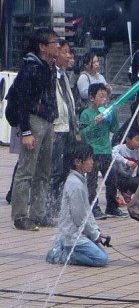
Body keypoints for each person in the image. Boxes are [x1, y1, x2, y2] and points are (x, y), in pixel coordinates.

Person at [11, 28, 60, 231]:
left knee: (44, 171)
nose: (58, 45)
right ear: (42, 47)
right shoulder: (30, 68)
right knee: (26, 170)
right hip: (33, 121)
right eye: (54, 42)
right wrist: (26, 131)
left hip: (47, 121)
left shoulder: (50, 67)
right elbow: (22, 102)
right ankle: (20, 215)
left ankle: (39, 213)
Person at [45, 142, 109, 267]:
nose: (92, 162)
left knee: (100, 252)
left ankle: (63, 246)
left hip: (80, 233)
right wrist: (94, 235)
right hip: (73, 235)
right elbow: (79, 216)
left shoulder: (80, 180)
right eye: (89, 159)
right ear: (78, 162)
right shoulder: (75, 184)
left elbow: (87, 210)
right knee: (101, 258)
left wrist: (95, 231)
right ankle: (59, 254)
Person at [79, 82, 126, 219]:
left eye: (106, 97)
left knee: (112, 179)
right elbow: (83, 134)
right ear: (92, 98)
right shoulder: (86, 114)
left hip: (106, 150)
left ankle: (112, 206)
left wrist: (113, 116)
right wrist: (95, 122)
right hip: (92, 152)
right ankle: (93, 207)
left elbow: (115, 129)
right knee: (92, 182)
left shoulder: (106, 112)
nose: (104, 99)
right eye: (101, 96)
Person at [48, 39, 80, 220]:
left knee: (66, 170)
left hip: (68, 128)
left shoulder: (64, 76)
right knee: (55, 171)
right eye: (66, 52)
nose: (70, 56)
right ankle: (50, 207)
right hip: (57, 128)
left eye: (70, 52)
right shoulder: (51, 74)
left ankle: (60, 206)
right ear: (56, 54)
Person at [112, 125, 139, 202]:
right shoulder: (120, 148)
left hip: (127, 178)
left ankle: (128, 192)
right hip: (116, 177)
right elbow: (112, 154)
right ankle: (115, 196)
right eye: (137, 140)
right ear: (128, 139)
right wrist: (126, 161)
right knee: (112, 174)